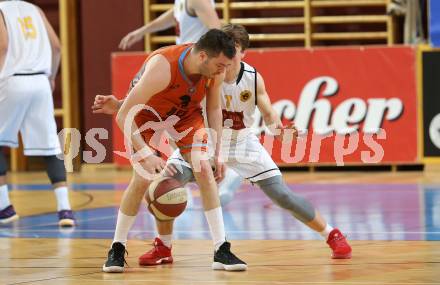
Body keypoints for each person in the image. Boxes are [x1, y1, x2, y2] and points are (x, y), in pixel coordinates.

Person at [94, 25, 352, 265]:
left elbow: (268, 116)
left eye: (233, 58)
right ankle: (159, 246)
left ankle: (330, 233)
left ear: (241, 53)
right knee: (164, 187)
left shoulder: (249, 78)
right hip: (201, 132)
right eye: (223, 61)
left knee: (282, 194)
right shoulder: (201, 69)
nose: (226, 67)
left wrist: (280, 132)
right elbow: (157, 101)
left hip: (240, 142)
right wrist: (121, 108)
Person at [101, 29, 247, 273]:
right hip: (146, 115)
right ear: (202, 57)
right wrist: (146, 153)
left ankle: (221, 248)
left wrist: (217, 153)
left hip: (185, 115)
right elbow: (124, 113)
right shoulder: (163, 67)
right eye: (220, 65)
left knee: (204, 169)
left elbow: (213, 110)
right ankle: (117, 247)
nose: (223, 71)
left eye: (226, 66)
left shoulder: (215, 70)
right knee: (142, 177)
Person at [0, 0, 75, 226]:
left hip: (12, 79)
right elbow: (57, 46)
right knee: (50, 145)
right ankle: (65, 209)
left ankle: (4, 207)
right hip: (41, 82)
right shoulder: (36, 9)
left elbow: (3, 47)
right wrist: (51, 76)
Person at [119, 0, 220, 50]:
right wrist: (141, 31)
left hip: (198, 62)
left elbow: (218, 33)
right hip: (186, 58)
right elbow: (176, 14)